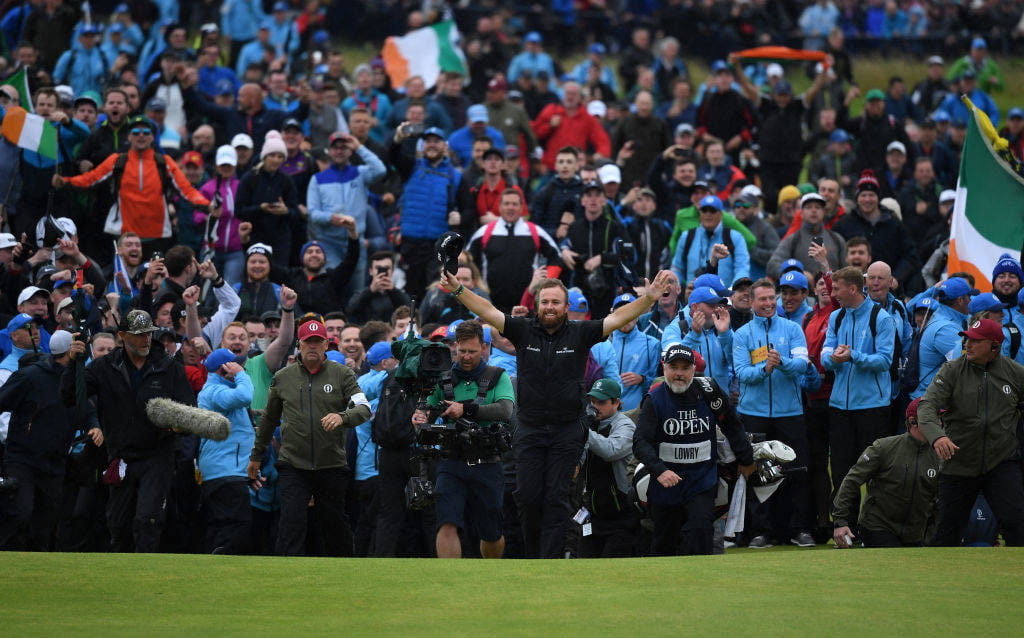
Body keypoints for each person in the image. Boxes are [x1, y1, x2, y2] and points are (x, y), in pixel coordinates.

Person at [439, 265, 674, 558]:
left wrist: (648, 299)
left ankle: (548, 561)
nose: (550, 307)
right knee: (527, 496)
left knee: (556, 498)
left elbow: (617, 318)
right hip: (530, 428)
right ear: (537, 305)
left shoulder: (581, 332)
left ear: (566, 307)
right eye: (545, 302)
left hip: (567, 431)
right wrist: (460, 290)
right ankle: (535, 557)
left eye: (555, 302)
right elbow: (487, 310)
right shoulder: (522, 329)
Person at [60, 310, 196, 552]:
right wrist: (74, 362)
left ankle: (144, 571)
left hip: (158, 453)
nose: (145, 340)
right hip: (120, 454)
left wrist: (178, 424)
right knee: (118, 522)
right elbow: (70, 396)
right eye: (139, 335)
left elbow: (188, 408)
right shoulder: (104, 366)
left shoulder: (169, 366)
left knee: (148, 519)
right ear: (122, 335)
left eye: (148, 334)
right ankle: (121, 571)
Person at [247, 319, 371, 556]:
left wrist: (342, 417)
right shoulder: (283, 377)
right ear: (299, 345)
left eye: (317, 342)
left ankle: (346, 573)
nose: (313, 346)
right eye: (308, 342)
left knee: (334, 524)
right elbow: (269, 420)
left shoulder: (342, 374)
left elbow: (364, 409)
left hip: (331, 463)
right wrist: (256, 457)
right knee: (291, 523)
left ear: (326, 344)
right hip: (293, 463)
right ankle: (286, 576)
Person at [633, 344, 755, 555]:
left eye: (685, 367)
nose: (679, 373)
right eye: (674, 367)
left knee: (700, 532)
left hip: (702, 480)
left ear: (693, 369)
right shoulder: (654, 399)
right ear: (664, 368)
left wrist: (746, 459)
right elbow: (640, 442)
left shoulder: (709, 391)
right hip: (665, 483)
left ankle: (702, 584)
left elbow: (732, 425)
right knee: (664, 543)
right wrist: (660, 470)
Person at [413, 320, 514, 558]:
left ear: (485, 348)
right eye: (462, 351)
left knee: (491, 532)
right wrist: (420, 416)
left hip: (487, 462)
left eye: (473, 351)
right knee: (447, 522)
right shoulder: (442, 377)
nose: (466, 357)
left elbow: (505, 410)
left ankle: (489, 574)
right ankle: (451, 578)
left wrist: (465, 409)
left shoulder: (498, 376)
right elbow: (425, 407)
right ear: (454, 347)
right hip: (451, 461)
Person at [919, 318, 1024, 546]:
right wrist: (938, 436)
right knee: (947, 531)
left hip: (1001, 462)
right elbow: (927, 406)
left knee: (1017, 524)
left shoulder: (1016, 373)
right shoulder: (952, 370)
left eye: (976, 341)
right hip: (958, 462)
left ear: (994, 346)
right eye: (967, 339)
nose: (968, 344)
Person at [732, 279, 814, 548]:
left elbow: (802, 365)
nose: (768, 304)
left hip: (789, 411)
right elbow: (742, 374)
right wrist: (765, 369)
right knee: (758, 473)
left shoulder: (792, 329)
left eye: (771, 298)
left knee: (796, 470)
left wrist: (782, 363)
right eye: (762, 299)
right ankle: (760, 532)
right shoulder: (742, 335)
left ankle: (798, 529)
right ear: (752, 302)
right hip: (753, 412)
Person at [0, 331, 99, 550]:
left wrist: (94, 426)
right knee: (20, 513)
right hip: (22, 459)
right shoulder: (31, 376)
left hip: (55, 463)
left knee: (45, 524)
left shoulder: (77, 381)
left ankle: (36, 573)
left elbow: (87, 410)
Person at [53, 115, 211, 253]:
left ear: (152, 137)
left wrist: (207, 205)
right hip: (125, 235)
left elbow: (187, 190)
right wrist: (65, 181)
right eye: (135, 132)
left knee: (153, 283)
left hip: (157, 236)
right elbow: (90, 179)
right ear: (128, 137)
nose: (141, 135)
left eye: (146, 132)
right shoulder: (117, 161)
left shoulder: (164, 163)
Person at [821, 267, 895, 535]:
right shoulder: (836, 317)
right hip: (840, 407)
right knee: (840, 472)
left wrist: (854, 357)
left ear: (852, 289)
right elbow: (825, 355)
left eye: (837, 288)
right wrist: (835, 359)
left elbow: (886, 361)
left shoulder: (881, 318)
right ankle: (844, 526)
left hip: (873, 408)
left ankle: (875, 528)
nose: (833, 292)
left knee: (875, 473)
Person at [833, 398, 941, 548]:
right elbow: (852, 481)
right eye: (932, 418)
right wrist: (840, 521)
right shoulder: (884, 448)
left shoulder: (941, 455)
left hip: (916, 534)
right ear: (913, 421)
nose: (939, 424)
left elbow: (941, 500)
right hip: (878, 528)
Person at [196, 348, 255, 554]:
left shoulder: (218, 389)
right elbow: (246, 395)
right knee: (238, 524)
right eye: (237, 364)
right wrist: (241, 375)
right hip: (225, 471)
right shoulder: (216, 392)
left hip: (224, 470)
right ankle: (220, 563)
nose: (242, 367)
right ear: (224, 369)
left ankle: (213, 564)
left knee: (221, 524)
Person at [467, 189, 560, 313]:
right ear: (499, 207)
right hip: (490, 305)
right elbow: (468, 262)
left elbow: (557, 259)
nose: (511, 208)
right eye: (506, 204)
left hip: (527, 305)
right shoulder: (484, 233)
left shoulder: (535, 232)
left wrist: (545, 284)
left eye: (515, 204)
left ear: (522, 208)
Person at [306, 131, 385, 271]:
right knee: (333, 289)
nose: (339, 151)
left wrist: (359, 147)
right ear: (329, 151)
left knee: (357, 291)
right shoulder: (317, 179)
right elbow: (313, 213)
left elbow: (380, 170)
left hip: (355, 242)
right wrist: (331, 218)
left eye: (343, 147)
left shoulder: (359, 173)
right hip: (329, 243)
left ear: (350, 151)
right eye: (335, 148)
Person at [577, 378, 637, 558]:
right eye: (592, 401)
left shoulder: (625, 425)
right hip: (592, 512)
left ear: (616, 402)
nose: (595, 407)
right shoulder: (590, 423)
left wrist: (583, 431)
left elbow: (611, 450)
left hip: (621, 514)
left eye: (601, 402)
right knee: (584, 567)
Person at [590, 294, 661, 411]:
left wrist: (642, 379)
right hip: (604, 411)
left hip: (637, 413)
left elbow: (658, 382)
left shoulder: (652, 344)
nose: (626, 317)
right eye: (621, 313)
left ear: (637, 315)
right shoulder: (600, 343)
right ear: (612, 315)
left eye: (630, 312)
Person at [671, 194, 750, 287]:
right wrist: (674, 287)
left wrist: (733, 291)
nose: (708, 214)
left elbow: (742, 268)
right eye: (704, 210)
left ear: (721, 214)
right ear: (700, 214)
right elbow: (677, 268)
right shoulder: (687, 236)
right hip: (693, 297)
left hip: (724, 298)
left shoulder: (735, 237)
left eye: (712, 210)